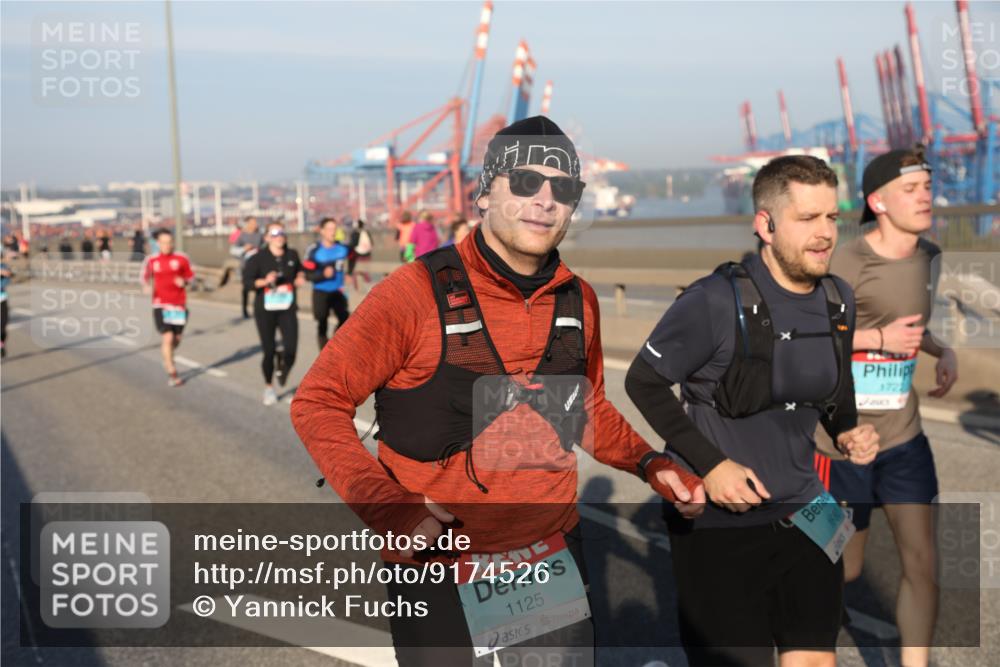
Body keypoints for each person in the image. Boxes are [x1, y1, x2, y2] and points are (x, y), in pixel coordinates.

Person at [291, 116, 704, 666]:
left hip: (551, 554)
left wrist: (649, 462)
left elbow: (583, 408)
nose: (545, 200)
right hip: (438, 563)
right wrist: (388, 506)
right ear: (485, 192)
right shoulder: (412, 294)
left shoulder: (578, 299)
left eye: (564, 188)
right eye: (526, 182)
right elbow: (318, 402)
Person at [626, 155, 880, 667]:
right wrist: (712, 465)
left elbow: (837, 385)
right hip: (720, 526)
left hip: (807, 512)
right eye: (807, 219)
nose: (825, 233)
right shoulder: (713, 302)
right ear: (765, 224)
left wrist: (849, 430)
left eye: (832, 217)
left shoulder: (838, 299)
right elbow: (644, 381)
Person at [818, 148, 955, 667]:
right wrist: (877, 335)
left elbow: (911, 325)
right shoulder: (844, 261)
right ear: (877, 201)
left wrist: (942, 350)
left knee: (922, 562)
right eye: (912, 188)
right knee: (844, 570)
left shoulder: (930, 257)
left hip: (903, 438)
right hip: (839, 442)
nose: (925, 196)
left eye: (927, 185)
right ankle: (807, 637)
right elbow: (812, 338)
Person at [244, 221, 305, 406]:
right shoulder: (257, 258)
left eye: (282, 233)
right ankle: (269, 387)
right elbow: (248, 283)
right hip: (265, 310)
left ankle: (283, 368)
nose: (279, 236)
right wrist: (264, 281)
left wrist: (301, 277)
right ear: (267, 237)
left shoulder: (292, 254)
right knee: (269, 350)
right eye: (274, 233)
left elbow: (300, 270)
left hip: (287, 308)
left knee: (291, 349)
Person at [141, 228, 194, 387]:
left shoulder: (182, 258)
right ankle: (172, 371)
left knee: (176, 339)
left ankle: (168, 355)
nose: (167, 245)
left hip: (178, 305)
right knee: (168, 336)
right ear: (158, 243)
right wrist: (146, 286)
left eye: (169, 242)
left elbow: (191, 276)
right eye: (163, 242)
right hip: (160, 304)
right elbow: (144, 278)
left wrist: (184, 282)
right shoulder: (151, 260)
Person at [303, 217, 351, 350]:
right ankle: (324, 354)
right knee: (322, 321)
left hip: (338, 290)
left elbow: (357, 255)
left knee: (346, 320)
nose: (333, 232)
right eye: (329, 229)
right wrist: (322, 274)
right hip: (320, 291)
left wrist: (350, 273)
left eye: (334, 229)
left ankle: (335, 343)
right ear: (322, 231)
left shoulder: (343, 248)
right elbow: (307, 274)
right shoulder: (314, 250)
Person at [232, 217, 263, 318]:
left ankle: (256, 309)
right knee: (246, 288)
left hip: (258, 265)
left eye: (256, 222)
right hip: (245, 265)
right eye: (252, 223)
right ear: (248, 224)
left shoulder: (260, 235)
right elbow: (233, 250)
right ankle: (244, 310)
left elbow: (265, 247)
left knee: (258, 287)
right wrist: (244, 249)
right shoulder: (242, 236)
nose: (255, 225)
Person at [346, 218, 372, 291]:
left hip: (357, 255)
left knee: (356, 272)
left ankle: (357, 288)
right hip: (367, 255)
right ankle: (368, 288)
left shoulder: (355, 233)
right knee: (366, 272)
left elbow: (352, 244)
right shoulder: (366, 232)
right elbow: (371, 243)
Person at [1, 249, 12, 358]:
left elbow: (8, 278)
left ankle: (1, 344)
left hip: (2, 299)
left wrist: (6, 273)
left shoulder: (3, 266)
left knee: (3, 326)